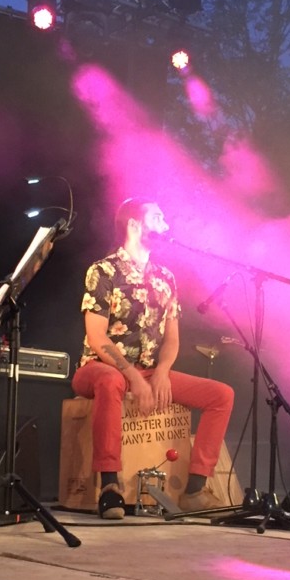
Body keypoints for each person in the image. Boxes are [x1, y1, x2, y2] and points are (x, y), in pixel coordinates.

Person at [72, 197, 235, 519]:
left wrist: (161, 372)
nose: (166, 225)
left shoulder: (165, 277)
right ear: (134, 225)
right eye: (158, 218)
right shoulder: (103, 270)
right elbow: (97, 337)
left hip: (149, 370)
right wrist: (133, 376)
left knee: (222, 395)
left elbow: (172, 338)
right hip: (99, 367)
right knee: (110, 380)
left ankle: (194, 490)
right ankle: (110, 486)